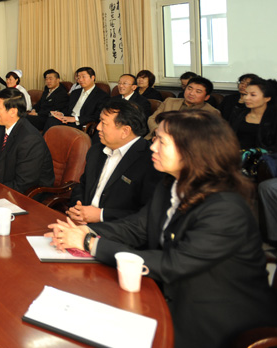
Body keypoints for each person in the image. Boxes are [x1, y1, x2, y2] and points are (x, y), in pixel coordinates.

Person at [46, 111, 277, 348]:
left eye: (162, 141)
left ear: (193, 150)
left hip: (215, 321)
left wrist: (90, 243)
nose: (152, 147)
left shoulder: (225, 208)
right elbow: (137, 227)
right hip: (168, 295)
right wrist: (85, 231)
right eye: (154, 138)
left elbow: (173, 264)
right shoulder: (170, 184)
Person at [67, 100, 163, 224]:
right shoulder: (96, 150)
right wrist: (77, 208)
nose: (98, 127)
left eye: (104, 123)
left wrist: (101, 215)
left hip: (116, 229)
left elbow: (146, 213)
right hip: (81, 223)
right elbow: (83, 185)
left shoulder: (151, 161)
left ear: (125, 131)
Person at [0, 88, 54, 194]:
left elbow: (24, 183)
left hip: (29, 195)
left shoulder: (30, 139)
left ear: (12, 111)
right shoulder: (3, 128)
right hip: (7, 187)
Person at [147, 76, 219, 138]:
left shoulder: (211, 112)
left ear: (206, 97)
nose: (191, 93)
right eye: (189, 88)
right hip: (156, 137)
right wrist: (157, 130)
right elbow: (152, 119)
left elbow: (203, 136)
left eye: (198, 91)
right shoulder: (169, 101)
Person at [44, 67, 108, 131]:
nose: (80, 80)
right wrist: (61, 113)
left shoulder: (102, 95)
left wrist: (75, 119)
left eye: (83, 77)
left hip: (81, 123)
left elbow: (97, 115)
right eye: (78, 77)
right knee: (51, 120)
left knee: (52, 123)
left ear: (92, 77)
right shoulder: (75, 93)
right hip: (68, 120)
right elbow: (68, 108)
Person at [229, 77, 277, 153]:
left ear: (267, 98)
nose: (247, 98)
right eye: (246, 94)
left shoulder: (273, 119)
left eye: (253, 95)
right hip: (236, 155)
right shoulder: (239, 114)